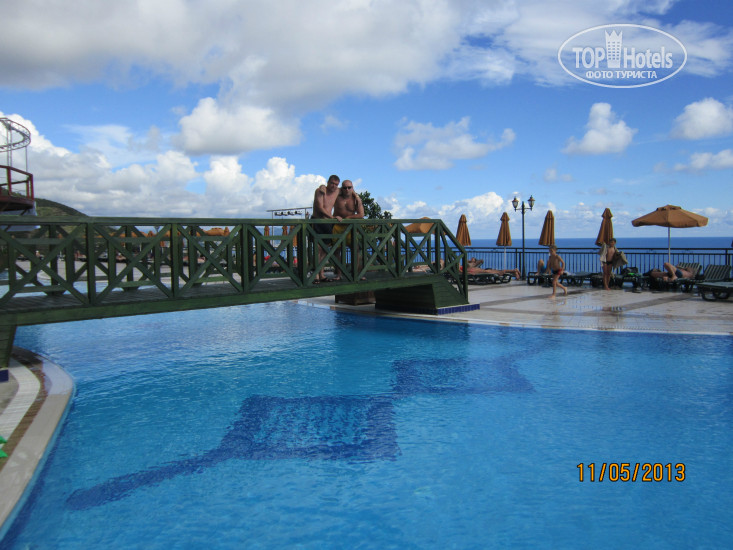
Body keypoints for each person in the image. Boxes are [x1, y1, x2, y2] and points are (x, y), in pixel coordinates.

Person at [331, 180, 365, 281]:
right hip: (337, 226)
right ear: (342, 188)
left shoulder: (356, 199)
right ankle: (339, 274)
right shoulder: (336, 196)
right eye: (345, 187)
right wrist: (334, 217)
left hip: (350, 227)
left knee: (355, 249)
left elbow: (361, 214)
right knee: (336, 251)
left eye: (349, 187)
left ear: (352, 188)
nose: (347, 189)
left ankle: (357, 274)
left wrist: (348, 218)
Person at [311, 175, 342, 282]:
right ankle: (316, 275)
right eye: (332, 183)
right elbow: (320, 207)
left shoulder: (338, 191)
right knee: (318, 249)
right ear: (328, 182)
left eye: (336, 184)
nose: (333, 186)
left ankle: (322, 274)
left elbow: (349, 191)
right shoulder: (320, 191)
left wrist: (356, 197)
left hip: (328, 223)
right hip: (318, 221)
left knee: (325, 250)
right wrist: (333, 217)